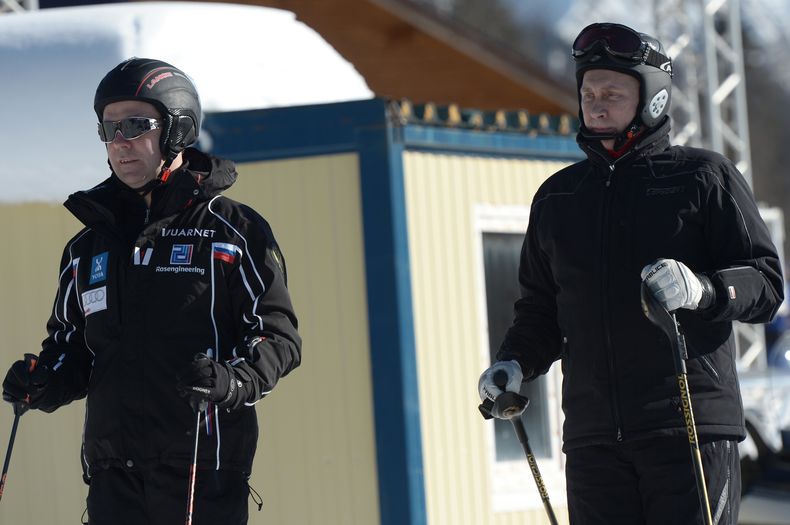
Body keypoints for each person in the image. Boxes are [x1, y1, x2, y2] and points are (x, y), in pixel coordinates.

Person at [478, 22, 783, 525]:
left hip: (688, 431)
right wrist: (514, 361)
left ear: (652, 100)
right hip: (594, 441)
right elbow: (539, 311)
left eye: (613, 94)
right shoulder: (558, 199)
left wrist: (703, 290)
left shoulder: (703, 178)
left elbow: (766, 283)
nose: (596, 104)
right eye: (588, 93)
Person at [2, 58, 301, 524]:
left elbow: (277, 337)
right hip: (112, 478)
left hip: (202, 474)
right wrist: (43, 381)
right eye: (109, 128)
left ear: (177, 129)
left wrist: (231, 381)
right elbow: (72, 352)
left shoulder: (233, 232)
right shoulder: (87, 247)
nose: (120, 141)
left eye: (137, 125)